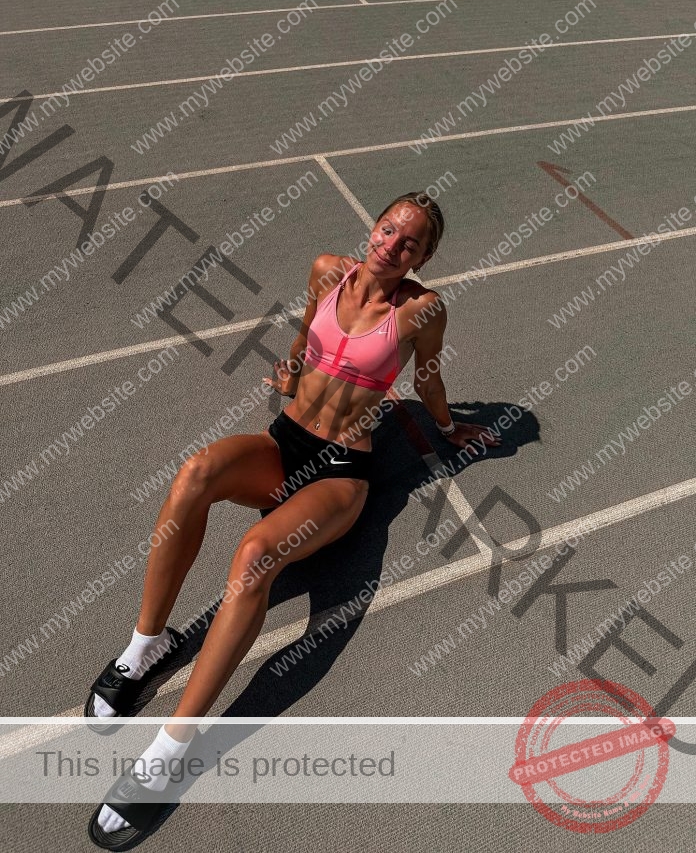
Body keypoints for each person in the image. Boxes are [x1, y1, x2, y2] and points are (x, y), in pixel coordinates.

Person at [86, 191, 500, 848]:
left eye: (410, 244)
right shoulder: (326, 270)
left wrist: (450, 429)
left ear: (426, 257)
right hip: (285, 444)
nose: (392, 246)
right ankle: (146, 649)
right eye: (388, 229)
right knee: (197, 473)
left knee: (254, 556)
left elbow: (427, 380)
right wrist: (297, 370)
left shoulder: (422, 309)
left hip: (340, 472)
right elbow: (310, 332)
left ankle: (168, 752)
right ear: (374, 226)